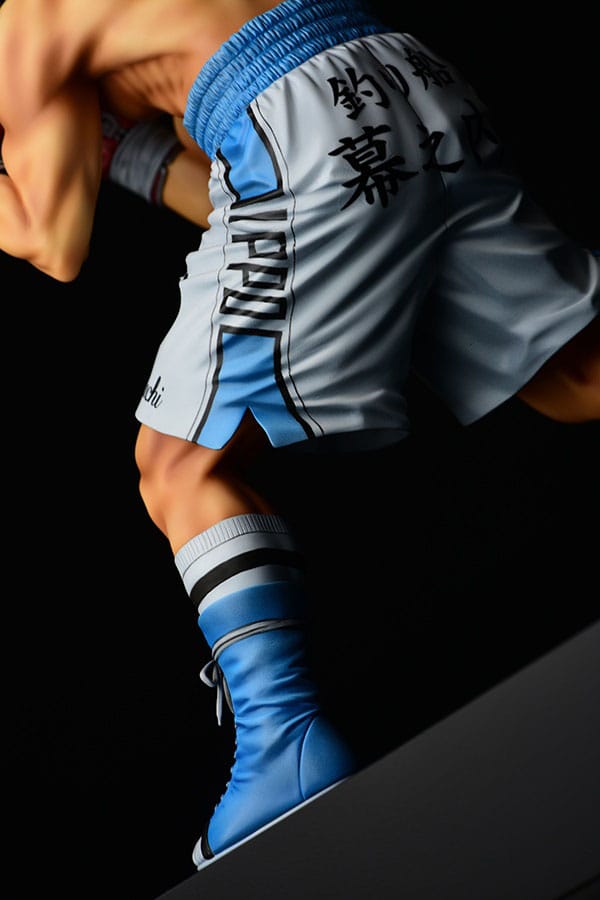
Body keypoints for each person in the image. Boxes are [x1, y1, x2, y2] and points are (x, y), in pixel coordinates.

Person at [1, 0, 598, 874]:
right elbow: (245, 189)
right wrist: (126, 154)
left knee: (177, 463)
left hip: (292, 117)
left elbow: (52, 242)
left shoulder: (22, 23)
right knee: (573, 377)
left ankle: (285, 748)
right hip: (397, 73)